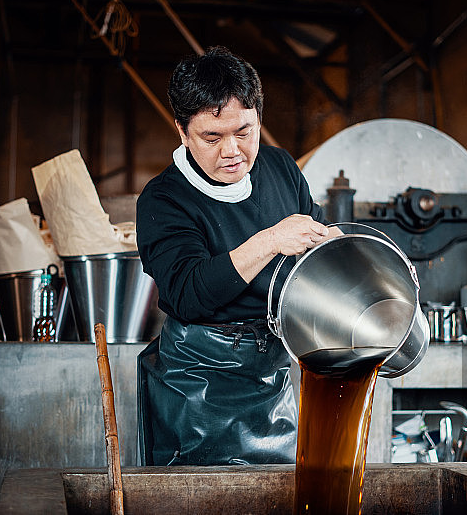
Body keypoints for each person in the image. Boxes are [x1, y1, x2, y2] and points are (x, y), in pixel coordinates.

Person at [136, 46, 331, 466]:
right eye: (212, 137)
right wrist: (270, 240)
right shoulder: (164, 199)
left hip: (272, 369)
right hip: (198, 380)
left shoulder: (280, 168)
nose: (232, 151)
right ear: (182, 131)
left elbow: (314, 247)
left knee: (277, 495)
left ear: (259, 117)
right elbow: (188, 292)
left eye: (244, 132)